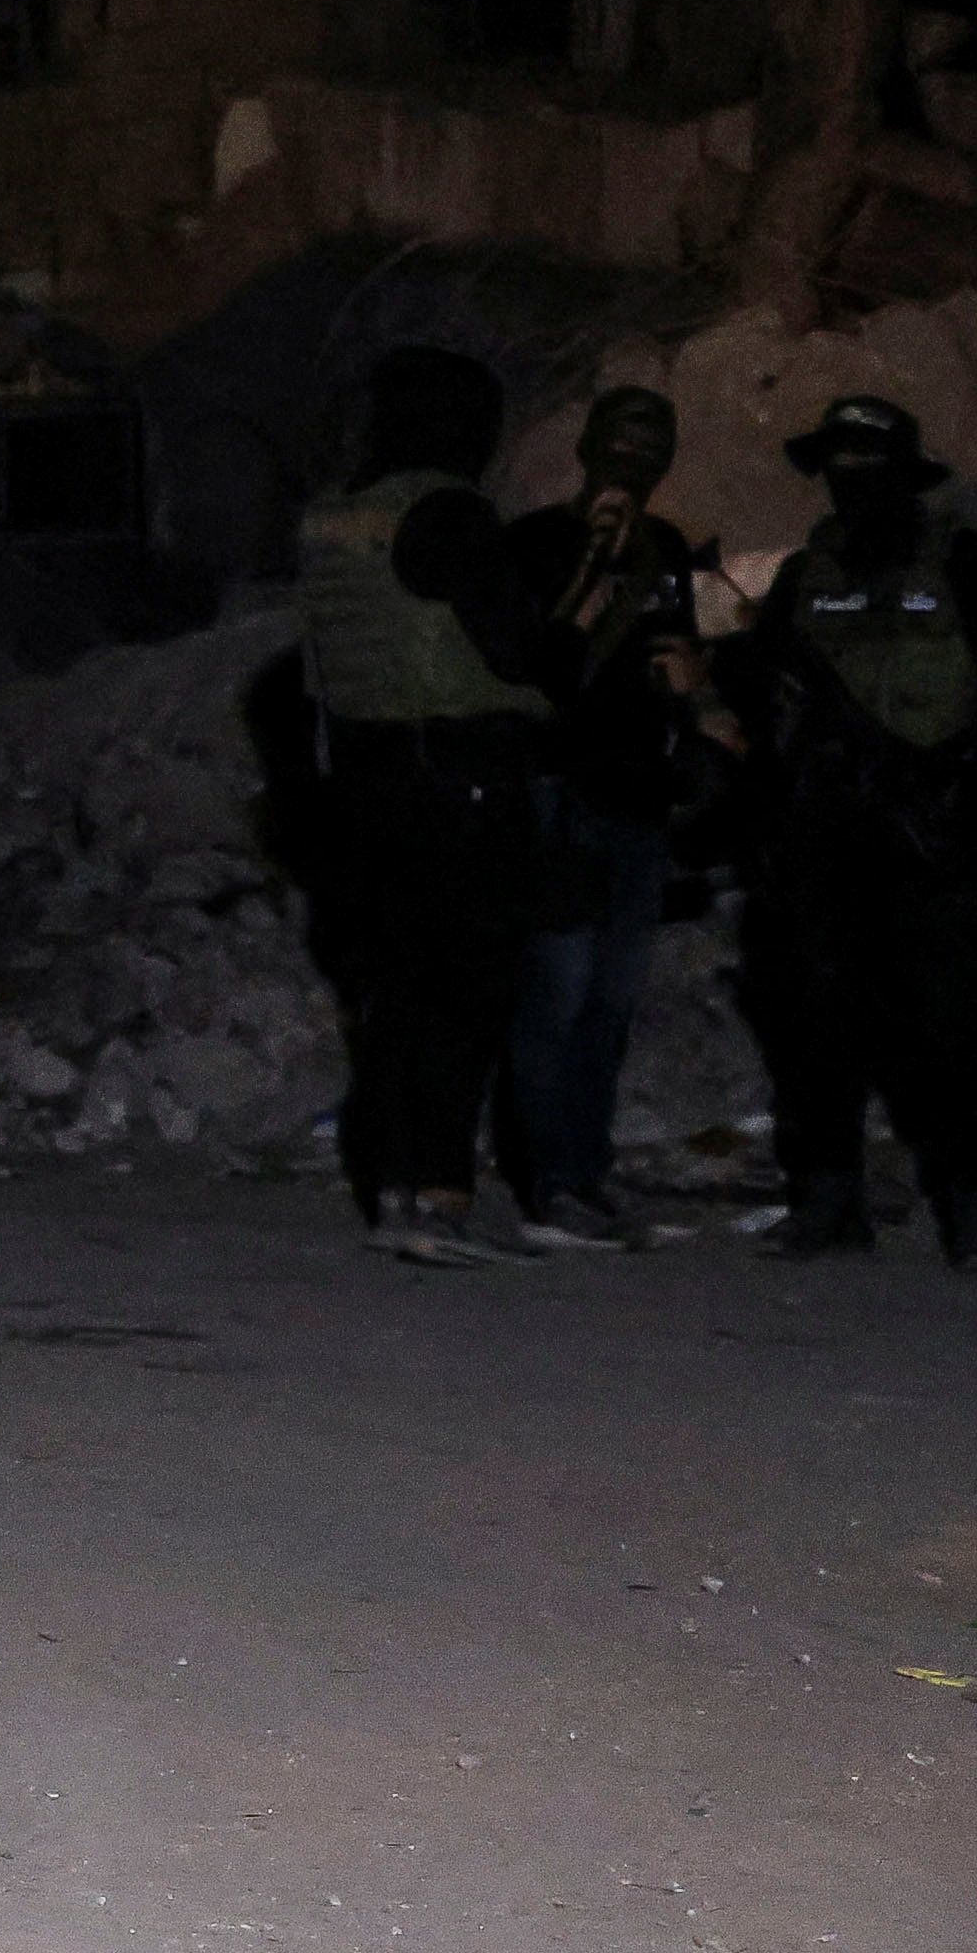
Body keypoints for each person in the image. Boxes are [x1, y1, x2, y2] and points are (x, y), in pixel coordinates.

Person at [719, 395, 977, 1271]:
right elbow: (761, 702)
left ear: (904, 472)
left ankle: (976, 1212)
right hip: (825, 836)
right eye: (839, 465)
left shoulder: (968, 561)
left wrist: (942, 764)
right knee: (816, 1026)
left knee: (947, 1028)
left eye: (867, 463)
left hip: (934, 837)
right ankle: (829, 1201)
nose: (851, 483)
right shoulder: (806, 575)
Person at [294, 344, 566, 1267]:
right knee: (465, 989)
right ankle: (440, 1196)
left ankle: (395, 1192)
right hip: (460, 778)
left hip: (366, 785)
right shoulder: (446, 513)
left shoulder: (333, 519)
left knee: (396, 994)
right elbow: (515, 651)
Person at [490, 384, 717, 1250]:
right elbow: (537, 666)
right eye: (620, 448)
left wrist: (689, 689)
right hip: (561, 792)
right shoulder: (540, 544)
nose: (633, 466)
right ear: (587, 451)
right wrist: (591, 569)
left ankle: (583, 1169)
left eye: (648, 452)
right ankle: (549, 1180)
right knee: (557, 993)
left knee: (610, 1003)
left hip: (637, 798)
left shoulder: (664, 551)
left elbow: (682, 655)